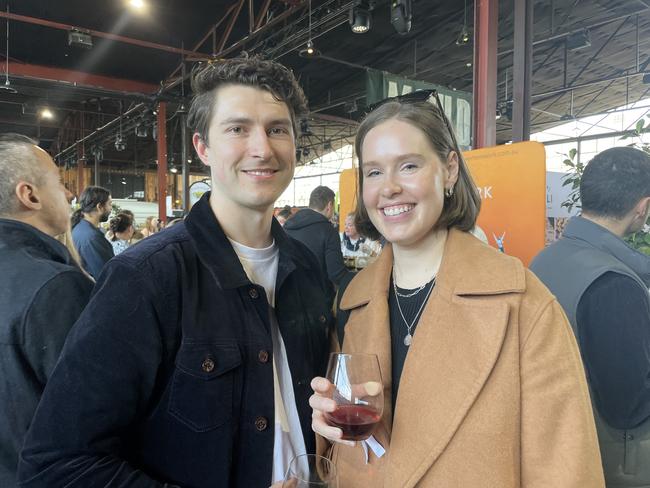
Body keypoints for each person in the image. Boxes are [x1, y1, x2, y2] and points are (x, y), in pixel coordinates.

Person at [19, 56, 332, 488]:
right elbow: (57, 464)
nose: (263, 148)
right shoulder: (146, 276)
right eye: (238, 129)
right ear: (203, 148)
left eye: (278, 128)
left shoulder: (307, 267)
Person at [308, 90, 604, 487]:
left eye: (408, 166)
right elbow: (352, 451)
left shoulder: (522, 304)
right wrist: (327, 426)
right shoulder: (354, 304)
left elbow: (566, 470)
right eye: (374, 172)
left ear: (449, 170)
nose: (389, 187)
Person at [530, 146, 650, 487]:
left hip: (558, 440)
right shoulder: (614, 283)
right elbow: (629, 406)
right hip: (614, 461)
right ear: (642, 207)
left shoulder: (545, 258)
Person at [0, 134, 93, 487]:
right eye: (58, 181)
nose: (69, 194)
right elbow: (95, 420)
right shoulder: (57, 288)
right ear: (30, 195)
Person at [284, 186, 350, 305]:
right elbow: (336, 274)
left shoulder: (287, 227)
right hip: (317, 301)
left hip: (288, 297)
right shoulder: (328, 230)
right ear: (329, 206)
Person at [70, 185, 114, 279]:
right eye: (109, 204)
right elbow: (106, 276)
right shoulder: (92, 237)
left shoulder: (80, 227)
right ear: (99, 207)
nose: (111, 208)